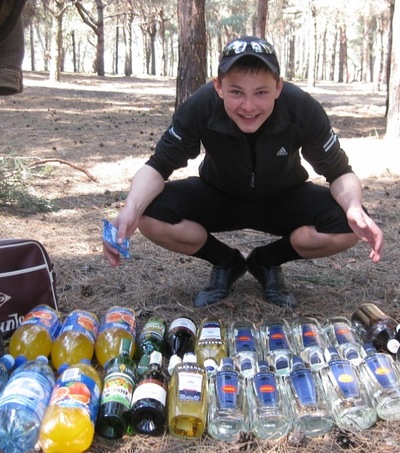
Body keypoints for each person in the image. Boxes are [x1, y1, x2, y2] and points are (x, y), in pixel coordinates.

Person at [104, 36, 383, 309]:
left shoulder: (301, 107)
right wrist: (131, 209)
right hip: (219, 196)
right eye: (236, 92)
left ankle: (266, 261)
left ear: (278, 87)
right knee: (149, 214)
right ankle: (227, 261)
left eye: (261, 92)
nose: (248, 107)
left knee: (349, 224)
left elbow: (339, 172)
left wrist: (353, 206)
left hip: (284, 199)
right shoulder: (201, 105)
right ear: (218, 87)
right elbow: (158, 165)